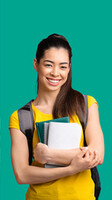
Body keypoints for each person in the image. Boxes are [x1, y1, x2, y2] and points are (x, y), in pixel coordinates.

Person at [9, 34, 103, 200]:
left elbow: (97, 155)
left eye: (63, 67)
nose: (55, 73)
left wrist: (49, 155)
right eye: (48, 65)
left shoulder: (86, 105)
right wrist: (71, 168)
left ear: (69, 68)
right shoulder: (21, 117)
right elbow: (22, 175)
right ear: (36, 64)